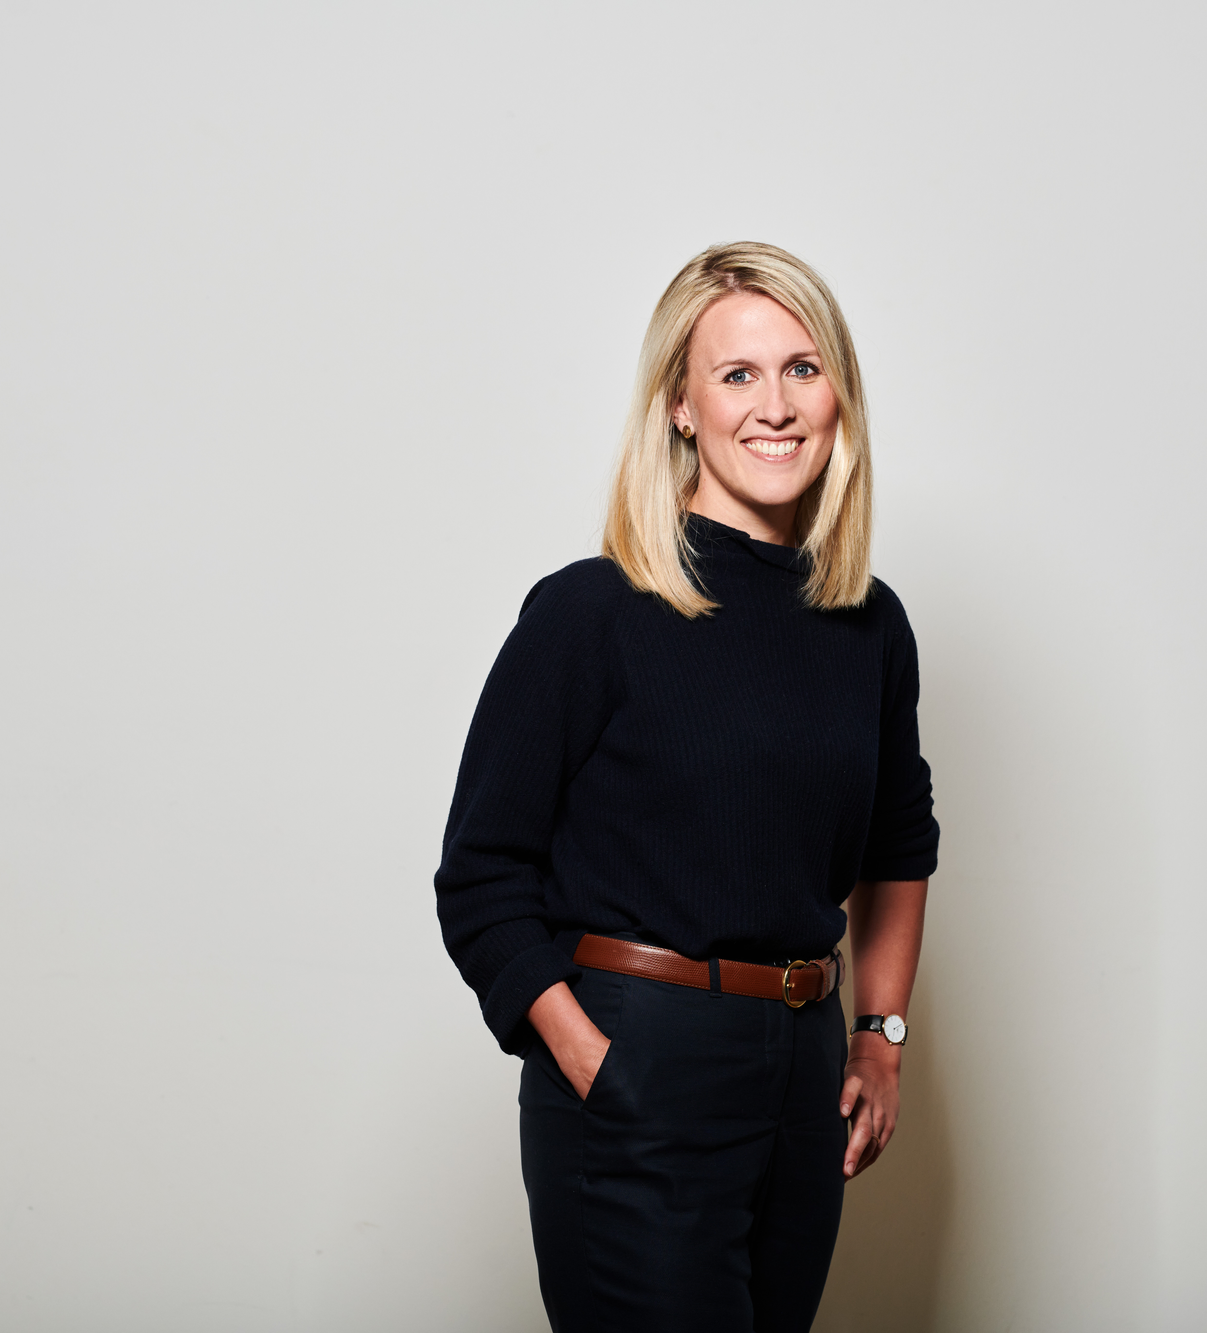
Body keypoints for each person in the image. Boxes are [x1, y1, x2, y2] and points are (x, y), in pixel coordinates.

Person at [434, 242, 938, 1333]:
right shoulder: (590, 614)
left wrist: (877, 1037)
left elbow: (898, 843)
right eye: (737, 374)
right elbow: (479, 877)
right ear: (678, 405)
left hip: (802, 1070)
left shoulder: (868, 625)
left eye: (802, 369)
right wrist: (592, 1060)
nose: (775, 405)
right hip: (638, 1051)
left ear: (838, 391)